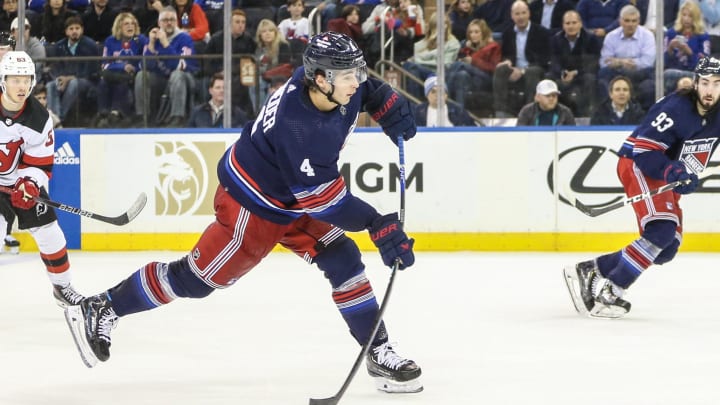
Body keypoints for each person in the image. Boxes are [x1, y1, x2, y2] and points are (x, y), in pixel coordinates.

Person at [63, 32, 423, 394]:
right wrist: (377, 224)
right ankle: (103, 306)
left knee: (342, 258)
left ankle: (377, 351)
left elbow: (366, 88)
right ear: (319, 80)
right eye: (348, 76)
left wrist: (386, 102)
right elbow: (327, 203)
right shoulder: (298, 128)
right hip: (252, 205)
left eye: (357, 72)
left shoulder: (330, 82)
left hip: (291, 197)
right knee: (195, 280)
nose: (356, 81)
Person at [563, 56, 720, 319]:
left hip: (665, 171)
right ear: (695, 82)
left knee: (665, 249)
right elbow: (644, 151)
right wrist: (673, 171)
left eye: (717, 84)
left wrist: (682, 173)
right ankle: (611, 293)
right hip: (639, 164)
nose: (709, 90)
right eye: (704, 82)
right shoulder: (676, 107)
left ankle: (592, 269)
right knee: (661, 231)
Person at [0, 51, 84, 305]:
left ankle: (62, 287)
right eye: (16, 79)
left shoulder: (39, 118)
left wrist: (29, 184)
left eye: (26, 79)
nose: (22, 85)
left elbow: (40, 163)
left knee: (50, 233)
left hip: (18, 184)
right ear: (3, 80)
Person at [134, 6, 198, 127]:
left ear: (177, 22)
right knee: (141, 75)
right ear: (159, 23)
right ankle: (143, 117)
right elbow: (144, 66)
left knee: (177, 75)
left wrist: (166, 44)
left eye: (172, 20)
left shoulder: (184, 38)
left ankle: (177, 118)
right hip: (162, 79)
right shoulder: (153, 39)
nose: (169, 23)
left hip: (185, 79)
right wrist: (151, 45)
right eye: (165, 20)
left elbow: (179, 66)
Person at [493, 0, 551, 117]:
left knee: (531, 72)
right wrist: (508, 62)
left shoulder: (541, 32)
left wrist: (523, 70)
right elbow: (507, 54)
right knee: (500, 70)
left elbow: (544, 59)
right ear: (512, 15)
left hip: (534, 68)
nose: (521, 17)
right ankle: (501, 113)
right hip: (514, 68)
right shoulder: (508, 32)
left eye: (523, 13)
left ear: (529, 13)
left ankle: (530, 113)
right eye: (517, 14)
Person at [597, 5, 656, 110]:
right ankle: (608, 114)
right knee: (603, 75)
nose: (630, 24)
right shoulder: (611, 36)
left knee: (650, 83)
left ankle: (644, 118)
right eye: (627, 21)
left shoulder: (648, 36)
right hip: (617, 73)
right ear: (620, 21)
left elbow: (648, 62)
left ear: (639, 21)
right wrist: (623, 62)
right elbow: (603, 62)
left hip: (640, 74)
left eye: (634, 21)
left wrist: (619, 61)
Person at [46, 16, 101, 127]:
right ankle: (54, 119)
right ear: (66, 32)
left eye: (77, 28)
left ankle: (60, 118)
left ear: (82, 30)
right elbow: (54, 67)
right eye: (71, 29)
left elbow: (92, 71)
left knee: (73, 84)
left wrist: (70, 78)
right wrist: (59, 78)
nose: (74, 31)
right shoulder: (59, 46)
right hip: (64, 79)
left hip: (86, 82)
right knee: (51, 85)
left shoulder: (90, 46)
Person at [0, 30, 19, 253]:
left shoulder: (18, 73)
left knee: (10, 196)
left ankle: (6, 233)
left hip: (10, 141)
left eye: (6, 48)